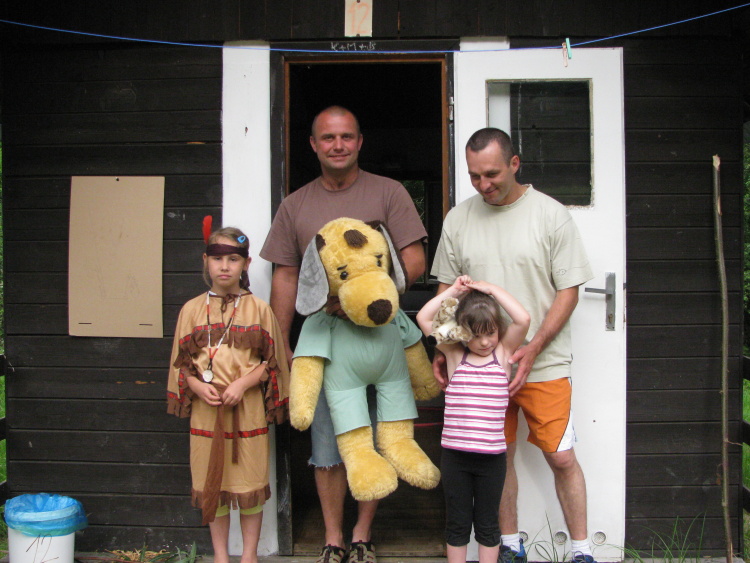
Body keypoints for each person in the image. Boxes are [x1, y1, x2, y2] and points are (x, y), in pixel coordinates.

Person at [260, 106, 427, 563]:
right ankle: (333, 537)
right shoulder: (296, 205)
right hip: (326, 343)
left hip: (379, 339)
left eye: (347, 136)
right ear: (313, 144)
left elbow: (414, 260)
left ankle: (362, 534)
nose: (338, 145)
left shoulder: (389, 193)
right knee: (327, 444)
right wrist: (281, 342)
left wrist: (364, 296)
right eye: (329, 138)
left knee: (376, 437)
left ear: (360, 142)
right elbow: (285, 276)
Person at [430, 128, 596, 563]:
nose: (483, 184)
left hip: (543, 362)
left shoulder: (550, 215)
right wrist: (441, 350)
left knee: (561, 457)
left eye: (492, 174)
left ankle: (581, 551)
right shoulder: (458, 219)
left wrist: (535, 345)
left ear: (514, 164)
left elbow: (569, 291)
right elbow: (446, 291)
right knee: (495, 458)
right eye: (474, 176)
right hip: (478, 366)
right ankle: (509, 545)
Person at [167, 226, 290, 563]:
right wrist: (196, 386)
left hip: (246, 410)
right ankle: (221, 557)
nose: (224, 266)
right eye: (217, 259)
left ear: (246, 264)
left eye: (233, 259)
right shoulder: (191, 310)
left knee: (250, 486)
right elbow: (181, 364)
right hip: (206, 412)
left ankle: (249, 556)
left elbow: (273, 363)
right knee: (214, 486)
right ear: (205, 261)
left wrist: (242, 384)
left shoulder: (260, 310)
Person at [416, 276, 529, 563]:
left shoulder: (502, 354)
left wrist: (491, 290)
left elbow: (523, 319)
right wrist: (454, 291)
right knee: (457, 523)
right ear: (461, 333)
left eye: (490, 333)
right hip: (456, 458)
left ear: (498, 329)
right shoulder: (454, 354)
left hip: (492, 460)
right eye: (475, 335)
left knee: (488, 525)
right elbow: (423, 317)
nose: (484, 342)